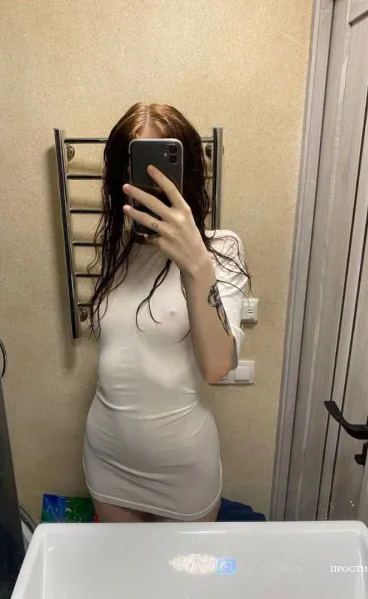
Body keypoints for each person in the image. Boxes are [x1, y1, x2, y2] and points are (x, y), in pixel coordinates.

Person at [83, 103, 250, 523]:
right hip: (108, 462)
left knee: (187, 569)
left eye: (163, 170)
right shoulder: (117, 252)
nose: (151, 185)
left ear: (186, 172)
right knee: (122, 568)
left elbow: (217, 367)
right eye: (139, 169)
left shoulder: (221, 249)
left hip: (183, 472)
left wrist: (196, 265)